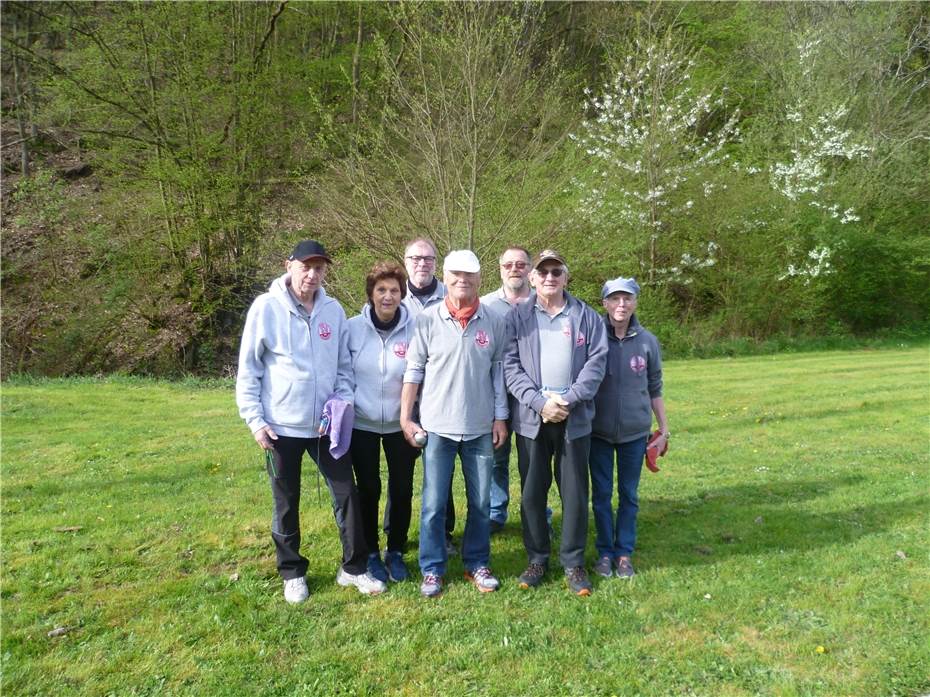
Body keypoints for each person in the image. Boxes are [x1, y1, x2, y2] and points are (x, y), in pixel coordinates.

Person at [236, 240, 386, 604]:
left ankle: (353, 568)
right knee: (286, 502)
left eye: (319, 268)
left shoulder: (333, 311)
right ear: (289, 265)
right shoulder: (266, 309)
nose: (312, 274)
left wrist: (340, 404)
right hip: (280, 428)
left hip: (323, 428)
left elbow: (343, 368)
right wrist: (256, 422)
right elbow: (248, 371)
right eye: (306, 266)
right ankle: (293, 573)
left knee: (346, 495)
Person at [400, 249, 509, 598]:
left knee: (480, 503)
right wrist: (406, 417)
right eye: (456, 275)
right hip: (437, 428)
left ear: (480, 279)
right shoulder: (428, 320)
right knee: (433, 505)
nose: (463, 280)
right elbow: (414, 371)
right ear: (445, 277)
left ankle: (477, 562)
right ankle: (432, 569)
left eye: (470, 275)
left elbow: (498, 372)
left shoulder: (493, 321)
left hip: (479, 427)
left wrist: (501, 417)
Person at [504, 250, 607, 596]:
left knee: (575, 493)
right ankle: (536, 558)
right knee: (533, 493)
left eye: (556, 271)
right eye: (543, 272)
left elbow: (596, 365)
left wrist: (568, 399)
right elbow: (510, 366)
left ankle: (574, 562)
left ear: (565, 277)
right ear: (532, 278)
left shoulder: (586, 317)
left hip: (573, 418)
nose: (549, 277)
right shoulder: (517, 317)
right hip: (532, 419)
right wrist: (540, 403)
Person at [589, 277, 669, 579]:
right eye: (615, 299)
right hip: (597, 432)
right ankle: (604, 553)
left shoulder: (647, 341)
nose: (621, 305)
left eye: (627, 299)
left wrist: (663, 428)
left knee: (629, 495)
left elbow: (655, 386)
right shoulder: (593, 336)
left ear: (635, 302)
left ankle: (624, 553)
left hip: (635, 433)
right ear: (605, 303)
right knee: (600, 495)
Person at [347, 261, 419, 584]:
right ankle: (372, 552)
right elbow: (341, 372)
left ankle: (396, 549)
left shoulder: (416, 328)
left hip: (400, 423)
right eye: (381, 290)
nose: (387, 296)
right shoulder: (352, 329)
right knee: (368, 489)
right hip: (362, 424)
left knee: (401, 489)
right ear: (370, 294)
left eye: (394, 290)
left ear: (402, 294)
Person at [399, 237, 458, 556]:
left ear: (436, 264)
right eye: (415, 258)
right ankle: (395, 532)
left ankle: (443, 532)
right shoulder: (393, 294)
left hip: (440, 398)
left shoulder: (449, 295)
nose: (422, 264)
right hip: (405, 399)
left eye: (428, 259)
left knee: (440, 471)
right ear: (405, 261)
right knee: (401, 471)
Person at [479, 246, 533, 533]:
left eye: (521, 264)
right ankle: (496, 513)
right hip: (495, 394)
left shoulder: (542, 303)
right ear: (500, 269)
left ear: (530, 270)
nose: (515, 269)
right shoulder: (485, 305)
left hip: (531, 399)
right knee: (496, 457)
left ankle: (536, 513)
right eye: (509, 264)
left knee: (532, 461)